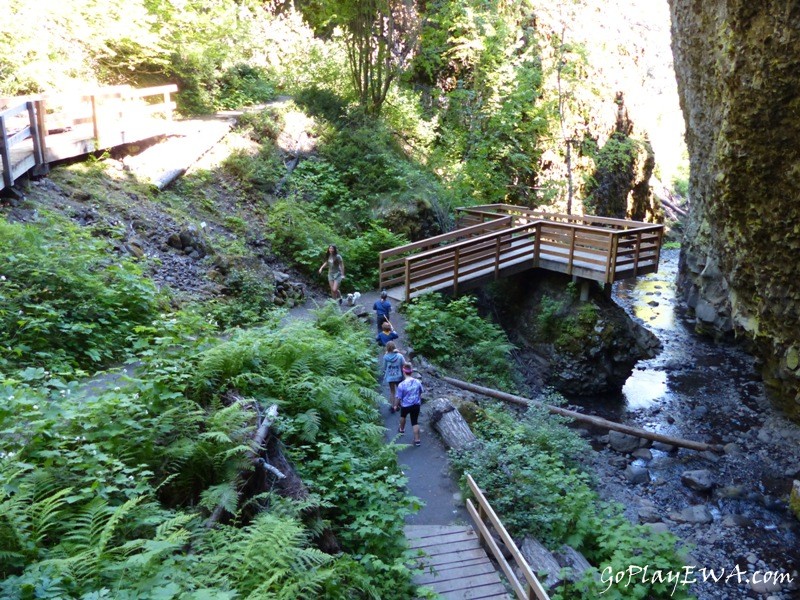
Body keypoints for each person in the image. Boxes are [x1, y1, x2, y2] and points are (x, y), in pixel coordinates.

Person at [396, 363, 423, 446]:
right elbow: (421, 391)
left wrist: (396, 405)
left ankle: (401, 429)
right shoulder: (417, 382)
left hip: (405, 405)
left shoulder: (401, 385)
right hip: (416, 404)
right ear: (411, 372)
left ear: (404, 372)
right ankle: (417, 440)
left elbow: (398, 397)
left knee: (403, 416)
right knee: (415, 421)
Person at [382, 341, 405, 413]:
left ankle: (392, 407)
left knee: (392, 391)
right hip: (399, 376)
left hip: (390, 377)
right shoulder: (400, 356)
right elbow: (404, 365)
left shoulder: (385, 357)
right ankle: (399, 404)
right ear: (394, 347)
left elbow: (384, 367)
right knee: (400, 390)